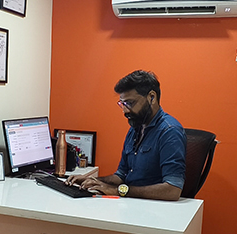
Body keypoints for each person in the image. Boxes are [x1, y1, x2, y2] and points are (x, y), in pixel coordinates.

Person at [67, 70, 187, 200]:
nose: (125, 110)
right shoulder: (136, 128)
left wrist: (118, 191)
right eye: (122, 104)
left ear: (151, 97)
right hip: (130, 203)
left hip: (153, 209)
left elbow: (172, 190)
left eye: (130, 103)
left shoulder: (169, 131)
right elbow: (121, 176)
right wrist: (92, 180)